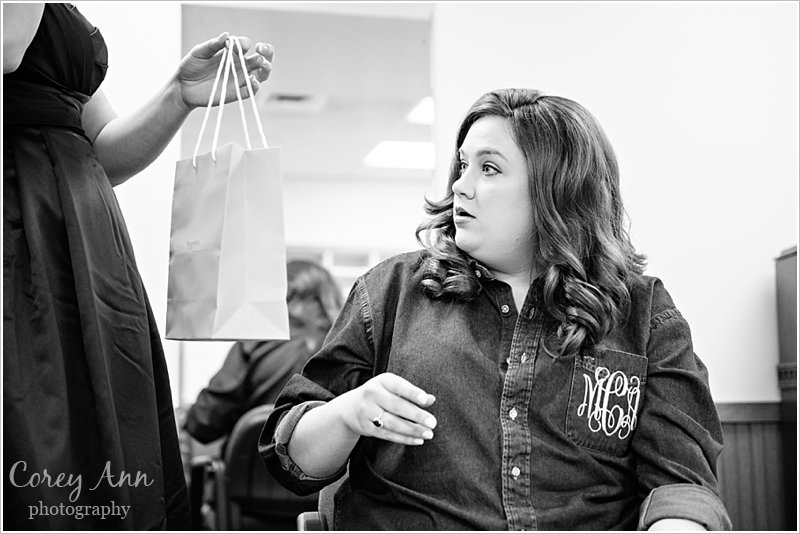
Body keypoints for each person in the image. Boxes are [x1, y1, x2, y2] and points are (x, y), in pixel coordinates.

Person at [260, 88, 732, 531]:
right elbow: (293, 460)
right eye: (462, 165)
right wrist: (347, 414)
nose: (460, 187)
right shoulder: (390, 292)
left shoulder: (643, 314)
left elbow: (682, 484)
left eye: (489, 168)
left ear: (557, 189)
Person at [3, 3, 273, 529]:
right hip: (19, 228)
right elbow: (8, 50)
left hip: (83, 243)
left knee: (103, 438)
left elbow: (99, 147)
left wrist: (179, 93)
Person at [184, 259, 343, 446]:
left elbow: (204, 421)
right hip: (326, 471)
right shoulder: (343, 347)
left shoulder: (254, 340)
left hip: (249, 469)